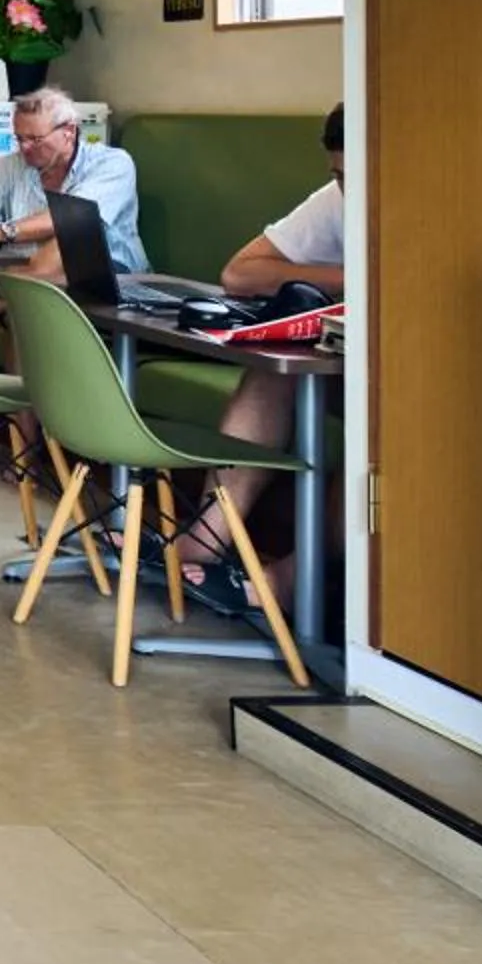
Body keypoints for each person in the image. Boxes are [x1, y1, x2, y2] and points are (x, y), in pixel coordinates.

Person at [175, 104, 345, 606]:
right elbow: (240, 274)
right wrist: (352, 276)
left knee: (379, 434)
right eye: (340, 175)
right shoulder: (339, 196)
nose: (352, 191)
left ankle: (292, 580)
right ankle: (205, 542)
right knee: (270, 374)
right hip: (344, 363)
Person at [0, 86, 144, 327]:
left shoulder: (113, 164)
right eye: (19, 138)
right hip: (35, 278)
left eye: (35, 139)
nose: (24, 148)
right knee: (27, 305)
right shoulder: (11, 166)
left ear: (68, 131)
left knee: (68, 240)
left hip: (116, 280)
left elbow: (72, 218)